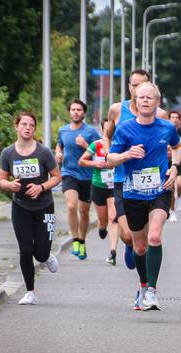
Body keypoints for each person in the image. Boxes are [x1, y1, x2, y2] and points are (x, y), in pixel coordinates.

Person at [107, 82, 181, 311]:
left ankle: (152, 290)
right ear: (135, 102)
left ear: (157, 102)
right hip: (133, 192)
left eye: (150, 97)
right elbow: (110, 158)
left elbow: (178, 147)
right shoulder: (125, 128)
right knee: (139, 247)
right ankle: (142, 285)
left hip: (160, 190)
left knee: (155, 237)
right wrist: (127, 154)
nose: (146, 101)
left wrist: (175, 167)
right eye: (142, 97)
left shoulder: (167, 128)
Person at [107, 69, 168, 268]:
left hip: (151, 183)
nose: (137, 90)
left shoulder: (160, 114)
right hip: (122, 178)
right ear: (129, 87)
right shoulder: (117, 109)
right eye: (134, 85)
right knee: (126, 235)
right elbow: (107, 135)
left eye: (142, 85)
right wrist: (116, 156)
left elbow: (170, 142)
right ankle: (130, 245)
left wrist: (170, 162)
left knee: (150, 237)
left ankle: (147, 279)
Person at [0, 111, 61, 304]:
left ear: (34, 129)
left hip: (44, 206)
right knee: (25, 249)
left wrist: (41, 187)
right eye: (24, 124)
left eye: (31, 125)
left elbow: (57, 177)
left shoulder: (43, 152)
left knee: (40, 254)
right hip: (21, 207)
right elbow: (2, 179)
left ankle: (47, 255)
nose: (27, 128)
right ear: (16, 126)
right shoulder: (8, 153)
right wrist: (10, 185)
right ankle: (30, 292)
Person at [56, 99, 100, 260]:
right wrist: (58, 153)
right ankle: (75, 240)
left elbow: (101, 152)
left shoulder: (91, 132)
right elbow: (59, 144)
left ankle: (82, 240)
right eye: (73, 109)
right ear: (69, 112)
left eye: (79, 110)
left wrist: (85, 145)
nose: (75, 112)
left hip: (87, 176)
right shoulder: (63, 130)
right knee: (71, 205)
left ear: (83, 113)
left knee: (84, 211)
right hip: (69, 173)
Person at [78, 119, 119, 265]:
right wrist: (95, 163)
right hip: (98, 185)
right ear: (103, 131)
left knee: (113, 219)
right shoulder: (96, 145)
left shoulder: (119, 144)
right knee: (103, 220)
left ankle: (113, 253)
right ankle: (102, 228)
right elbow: (81, 161)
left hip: (115, 186)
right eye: (107, 130)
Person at [168, 110, 181, 221]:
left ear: (179, 120)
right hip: (168, 161)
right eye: (172, 117)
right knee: (171, 187)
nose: (174, 119)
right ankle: (172, 211)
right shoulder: (165, 131)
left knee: (180, 184)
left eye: (176, 117)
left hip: (179, 160)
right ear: (169, 119)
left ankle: (178, 197)